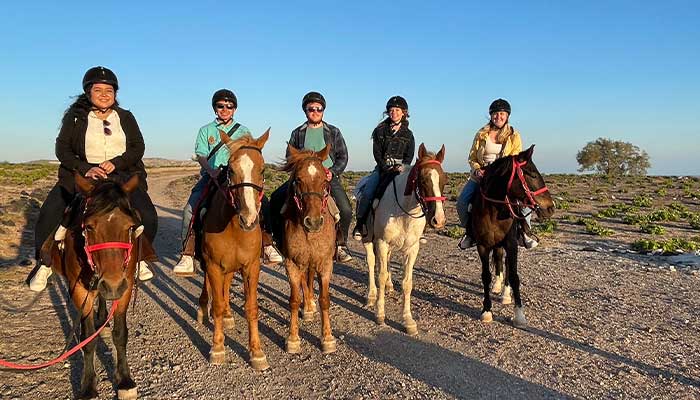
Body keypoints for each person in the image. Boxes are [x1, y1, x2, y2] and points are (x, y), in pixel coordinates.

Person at [28, 66, 157, 291]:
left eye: (109, 90)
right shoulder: (75, 117)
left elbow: (138, 147)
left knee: (147, 214)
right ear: (88, 93)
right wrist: (86, 168)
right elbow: (63, 149)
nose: (105, 94)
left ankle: (139, 259)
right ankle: (45, 262)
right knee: (50, 212)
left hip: (120, 175)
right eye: (98, 90)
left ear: (116, 93)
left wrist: (116, 163)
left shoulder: (125, 117)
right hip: (84, 175)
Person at [172, 89, 282, 275]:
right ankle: (188, 253)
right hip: (213, 175)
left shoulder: (243, 130)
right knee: (190, 208)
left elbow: (251, 153)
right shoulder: (206, 130)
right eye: (220, 106)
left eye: (229, 106)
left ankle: (268, 244)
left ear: (234, 109)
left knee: (264, 203)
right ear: (215, 108)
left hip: (238, 176)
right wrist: (212, 171)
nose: (225, 109)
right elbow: (201, 155)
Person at [269, 91, 353, 262]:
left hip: (326, 177)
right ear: (305, 111)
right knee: (275, 200)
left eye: (318, 109)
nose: (315, 111)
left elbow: (343, 156)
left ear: (323, 111)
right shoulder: (297, 133)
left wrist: (332, 172)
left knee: (345, 208)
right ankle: (277, 242)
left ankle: (341, 245)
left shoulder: (334, 132)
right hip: (303, 178)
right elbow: (289, 156)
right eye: (311, 109)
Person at [456, 98, 538, 250]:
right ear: (491, 115)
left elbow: (515, 156)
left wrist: (501, 171)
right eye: (495, 114)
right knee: (462, 202)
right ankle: (470, 233)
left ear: (507, 116)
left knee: (525, 203)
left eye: (502, 114)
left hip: (503, 176)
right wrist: (476, 169)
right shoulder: (481, 134)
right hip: (481, 174)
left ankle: (524, 232)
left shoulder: (514, 135)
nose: (498, 117)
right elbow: (472, 157)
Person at [352, 95, 415, 239]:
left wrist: (403, 167)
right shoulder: (379, 130)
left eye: (397, 110)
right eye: (391, 110)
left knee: (415, 192)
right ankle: (360, 224)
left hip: (401, 170)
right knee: (368, 192)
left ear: (404, 112)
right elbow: (377, 153)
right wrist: (385, 167)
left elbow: (409, 155)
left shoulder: (409, 135)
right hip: (382, 168)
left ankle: (419, 230)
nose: (394, 113)